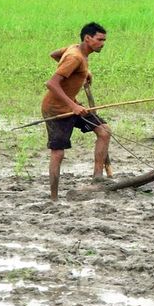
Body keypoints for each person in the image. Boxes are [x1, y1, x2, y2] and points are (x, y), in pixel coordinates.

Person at [42, 22, 112, 200]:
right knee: (58, 153)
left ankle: (97, 178)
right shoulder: (75, 57)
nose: (103, 43)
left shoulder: (75, 50)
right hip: (57, 109)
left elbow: (54, 55)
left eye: (104, 40)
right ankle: (54, 197)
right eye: (100, 39)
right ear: (88, 39)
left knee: (104, 131)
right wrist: (73, 106)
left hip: (72, 106)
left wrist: (81, 73)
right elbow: (51, 84)